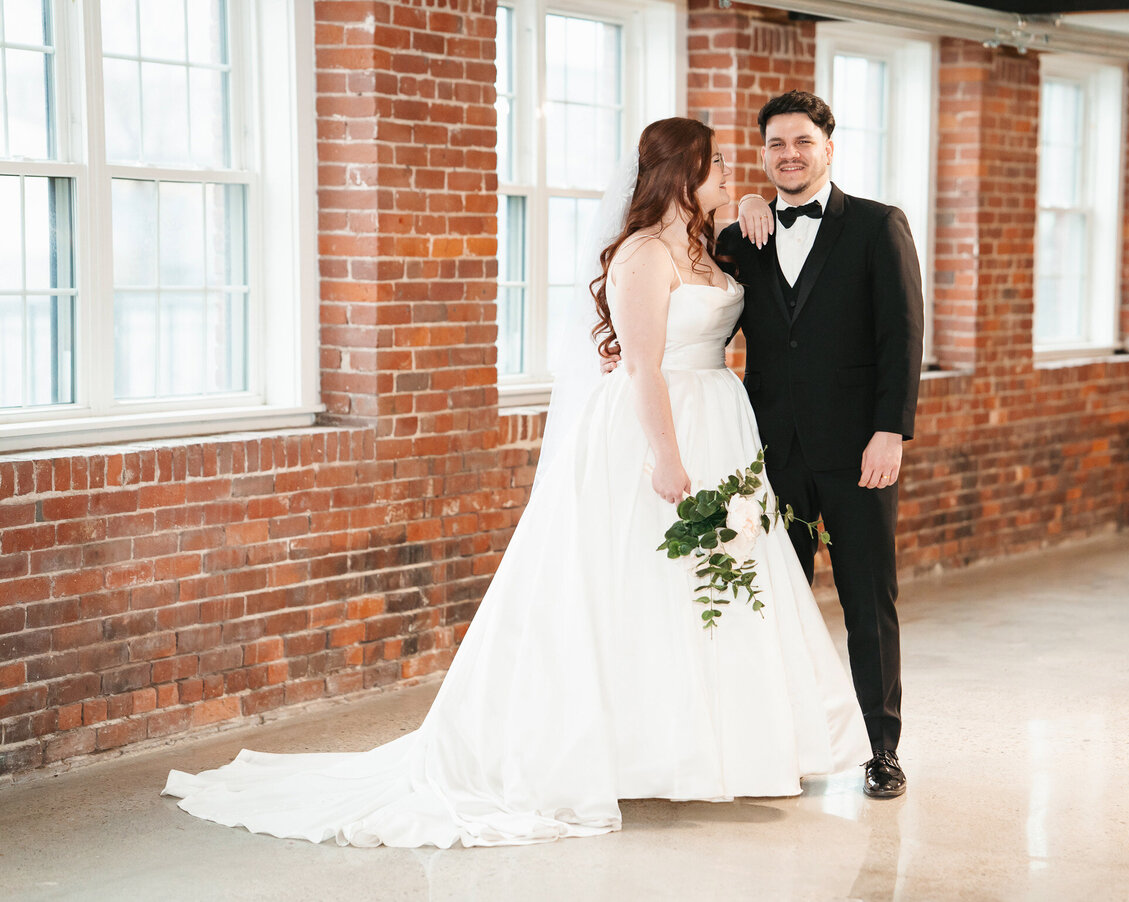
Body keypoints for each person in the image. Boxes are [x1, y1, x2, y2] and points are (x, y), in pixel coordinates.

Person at [161, 117, 871, 849]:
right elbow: (640, 367)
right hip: (659, 429)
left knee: (702, 587)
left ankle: (709, 746)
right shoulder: (642, 255)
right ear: (681, 174)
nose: (733, 171)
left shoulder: (704, 243)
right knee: (626, 585)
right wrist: (666, 456)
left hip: (721, 420)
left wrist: (744, 204)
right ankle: (622, 750)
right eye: (717, 163)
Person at [723, 91, 925, 798]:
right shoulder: (739, 236)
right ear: (763, 153)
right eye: (775, 144)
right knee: (778, 599)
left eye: (802, 142)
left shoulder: (877, 225)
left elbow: (902, 336)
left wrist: (890, 430)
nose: (789, 154)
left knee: (869, 601)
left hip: (859, 452)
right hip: (770, 451)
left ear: (829, 147)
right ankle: (787, 743)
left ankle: (882, 749)